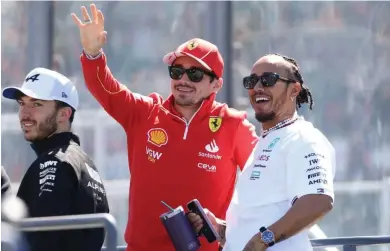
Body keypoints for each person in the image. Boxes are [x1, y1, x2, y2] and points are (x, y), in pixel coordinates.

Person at [71, 4, 258, 251]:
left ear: (216, 84)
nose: (183, 80)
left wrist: (231, 227)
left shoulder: (233, 124)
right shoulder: (145, 112)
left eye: (195, 74)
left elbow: (264, 179)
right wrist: (92, 53)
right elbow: (104, 88)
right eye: (177, 71)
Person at [188, 54, 336, 251]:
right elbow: (262, 216)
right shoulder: (266, 141)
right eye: (251, 81)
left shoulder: (303, 137)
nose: (258, 87)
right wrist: (222, 229)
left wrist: (263, 239)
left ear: (294, 90)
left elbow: (318, 201)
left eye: (268, 79)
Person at [2, 67, 110, 251]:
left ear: (64, 114)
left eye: (36, 104)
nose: (24, 114)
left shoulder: (54, 162)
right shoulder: (83, 162)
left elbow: (37, 241)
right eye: (22, 103)